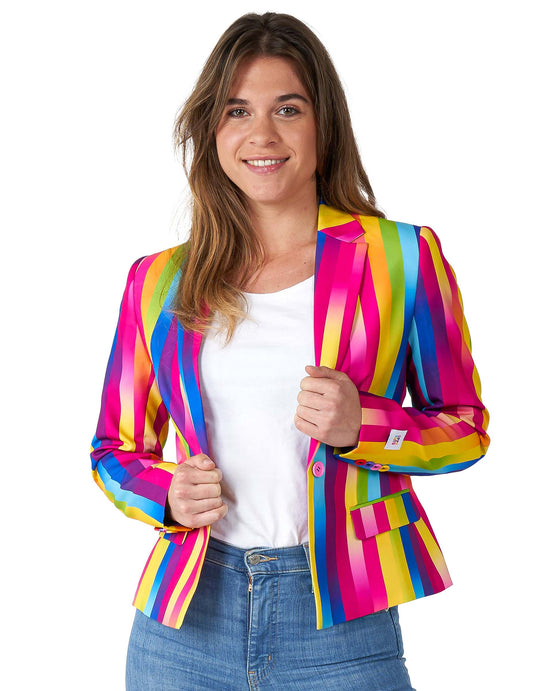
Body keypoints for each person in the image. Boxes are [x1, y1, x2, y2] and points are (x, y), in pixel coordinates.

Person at [91, 12, 489, 691]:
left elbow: (465, 428)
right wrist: (167, 494)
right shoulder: (158, 281)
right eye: (237, 110)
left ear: (322, 125)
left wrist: (362, 425)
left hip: (341, 616)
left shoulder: (402, 259)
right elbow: (113, 449)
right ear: (212, 130)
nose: (262, 135)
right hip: (184, 625)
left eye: (287, 108)